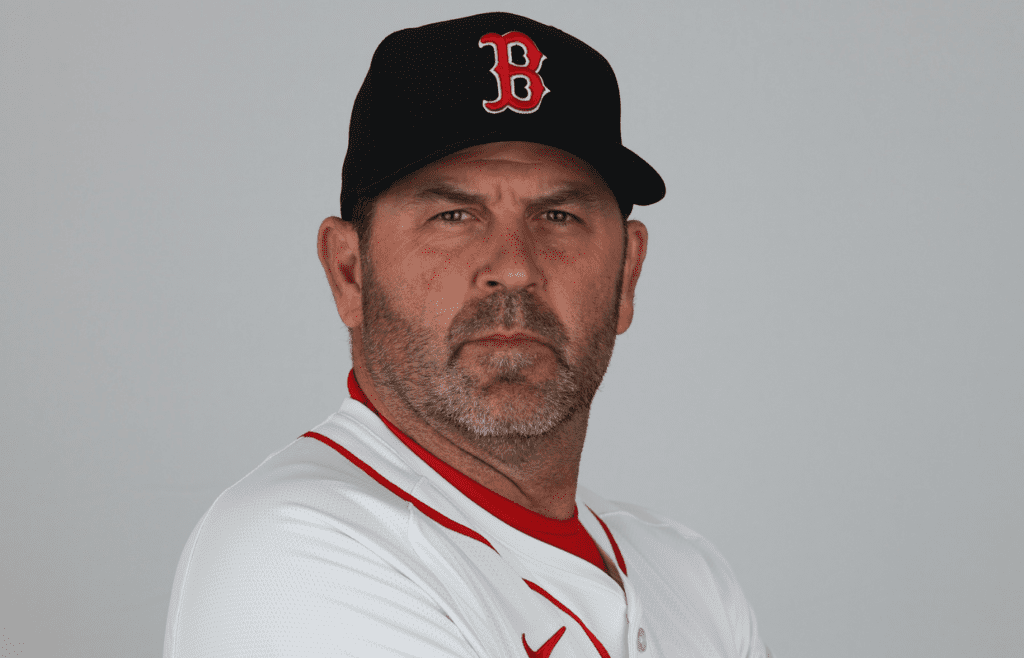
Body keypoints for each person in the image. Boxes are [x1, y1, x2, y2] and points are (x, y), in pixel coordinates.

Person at [164, 12, 769, 658]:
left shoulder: (692, 578)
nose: (513, 266)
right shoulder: (288, 555)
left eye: (559, 215)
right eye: (453, 214)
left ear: (627, 274)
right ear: (350, 272)